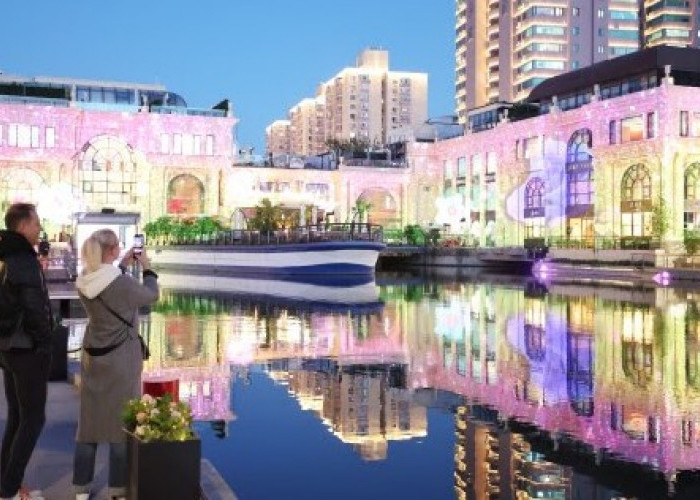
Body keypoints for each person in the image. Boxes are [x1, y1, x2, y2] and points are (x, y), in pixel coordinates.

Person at [72, 229, 158, 500]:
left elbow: (107, 283)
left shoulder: (85, 278)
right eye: (118, 247)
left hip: (93, 356)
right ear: (110, 251)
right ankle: (117, 489)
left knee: (89, 424)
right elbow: (149, 296)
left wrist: (122, 264)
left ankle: (81, 489)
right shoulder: (120, 284)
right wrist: (148, 269)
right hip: (120, 358)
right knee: (119, 424)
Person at [0, 203, 52, 500]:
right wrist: (46, 346)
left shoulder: (6, 255)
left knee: (18, 417)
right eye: (36, 223)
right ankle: (8, 489)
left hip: (8, 348)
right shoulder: (22, 259)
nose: (39, 228)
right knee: (33, 419)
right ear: (22, 226)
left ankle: (5, 483)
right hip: (26, 349)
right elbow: (35, 308)